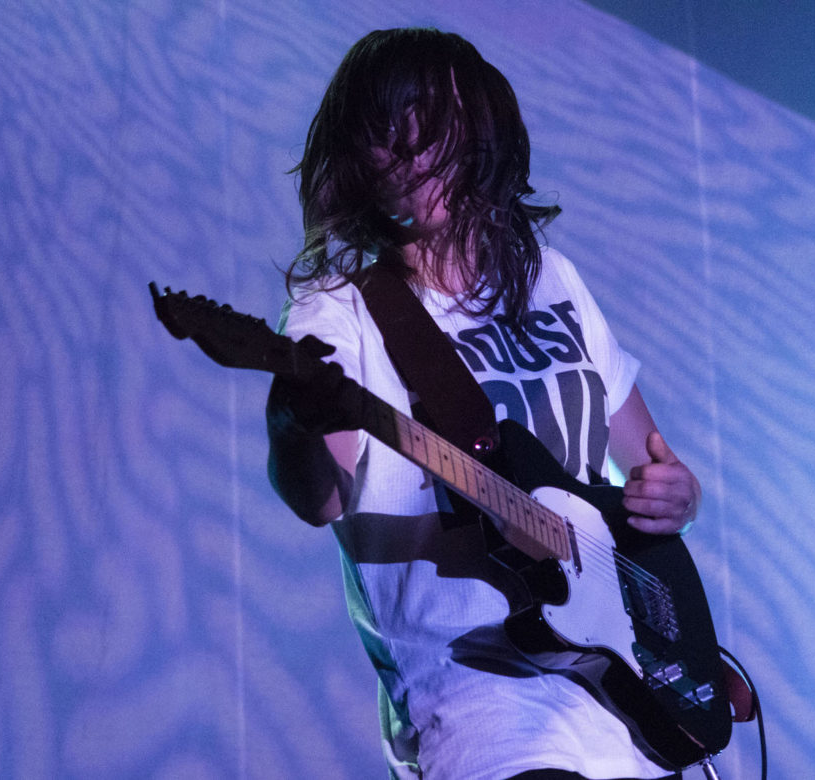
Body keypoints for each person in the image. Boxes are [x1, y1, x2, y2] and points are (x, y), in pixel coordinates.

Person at [267, 28, 700, 780]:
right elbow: (319, 499)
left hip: (622, 689)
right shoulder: (337, 314)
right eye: (385, 134)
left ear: (482, 129)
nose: (408, 154)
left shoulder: (554, 280)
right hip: (480, 698)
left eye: (429, 123)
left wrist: (678, 495)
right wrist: (295, 417)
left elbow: (651, 466)